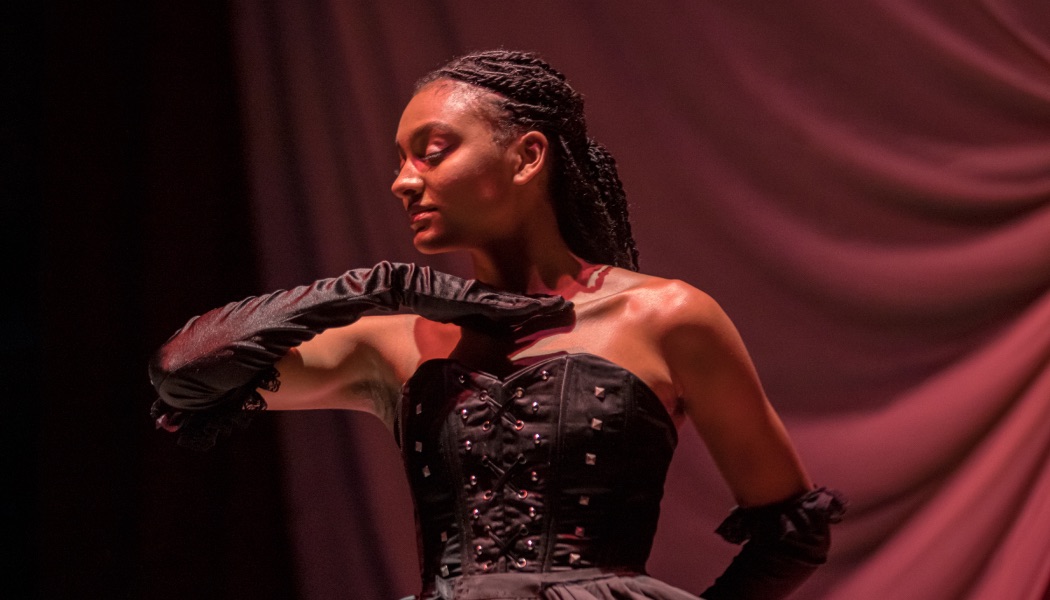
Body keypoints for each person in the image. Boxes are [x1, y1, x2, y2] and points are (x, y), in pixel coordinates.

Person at [149, 50, 844, 600]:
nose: (403, 180)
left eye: (433, 150)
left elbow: (791, 533)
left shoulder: (664, 317)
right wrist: (382, 288)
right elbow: (184, 373)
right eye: (398, 160)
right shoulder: (396, 338)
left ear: (527, 156)